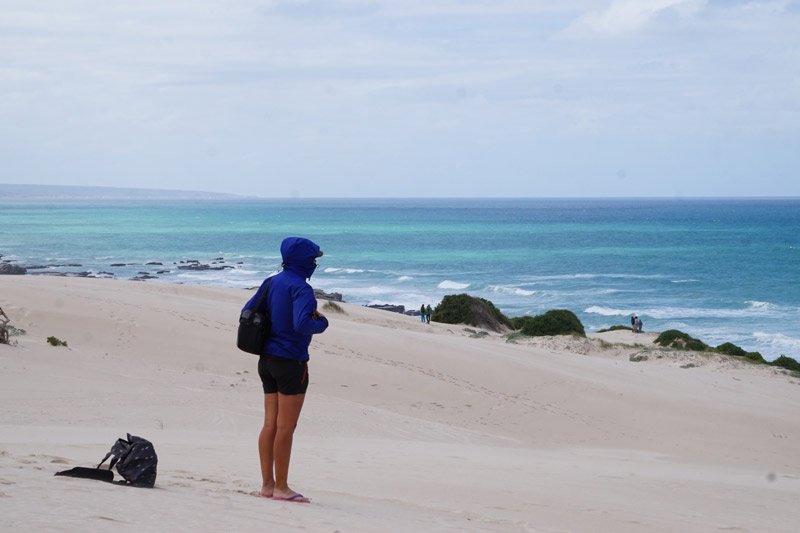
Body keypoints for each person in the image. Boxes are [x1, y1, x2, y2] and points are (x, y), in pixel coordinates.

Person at [244, 237, 329, 503]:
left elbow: (247, 311)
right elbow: (302, 324)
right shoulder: (302, 289)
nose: (315, 263)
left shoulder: (271, 281)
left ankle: (267, 485)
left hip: (266, 360)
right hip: (291, 362)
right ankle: (281, 487)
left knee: (270, 424)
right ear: (303, 260)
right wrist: (323, 322)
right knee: (286, 427)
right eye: (313, 259)